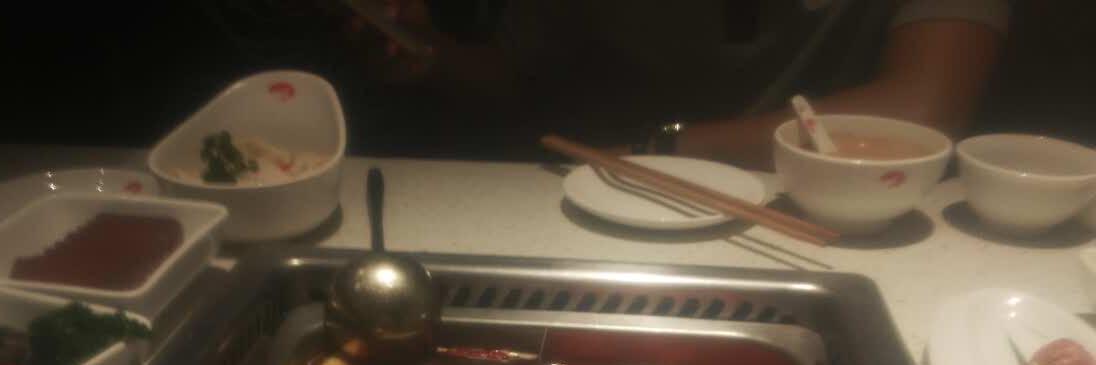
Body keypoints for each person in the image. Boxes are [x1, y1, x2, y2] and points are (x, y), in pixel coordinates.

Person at [350, 0, 1010, 168]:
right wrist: (431, 56)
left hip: (815, 205)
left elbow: (928, 107)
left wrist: (662, 147)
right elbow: (517, 80)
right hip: (593, 198)